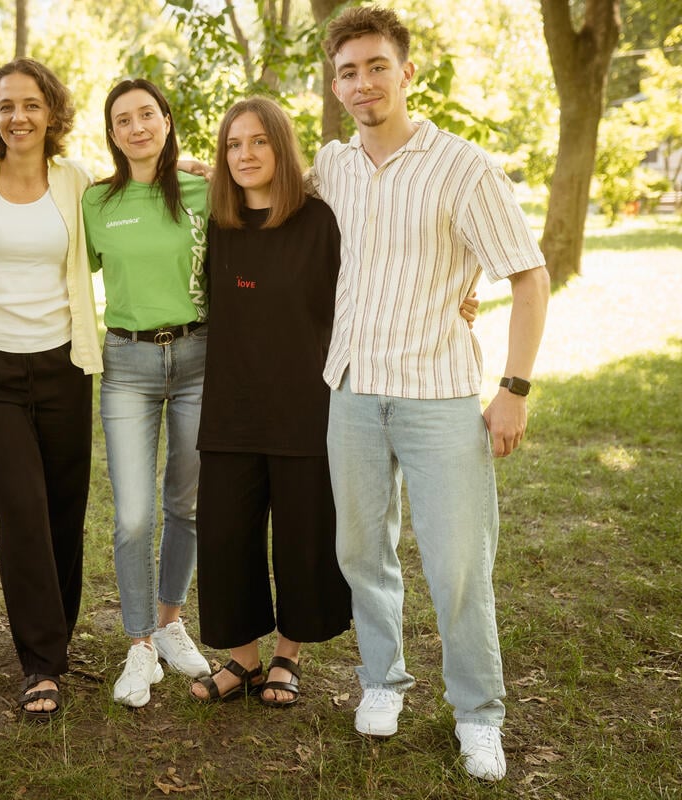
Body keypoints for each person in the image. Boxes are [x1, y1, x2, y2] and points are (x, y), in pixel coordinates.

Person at [312, 6, 550, 782]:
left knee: (456, 566)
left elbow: (528, 273)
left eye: (377, 66)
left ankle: (479, 714)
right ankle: (382, 680)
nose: (363, 82)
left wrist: (512, 388)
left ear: (406, 73)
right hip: (351, 393)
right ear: (336, 83)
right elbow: (254, 183)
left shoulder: (463, 167)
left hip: (441, 395)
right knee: (361, 551)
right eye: (348, 70)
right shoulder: (334, 167)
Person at [0, 57, 102, 720]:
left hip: (64, 366)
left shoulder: (77, 182)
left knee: (64, 509)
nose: (18, 117)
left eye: (31, 104)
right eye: (6, 105)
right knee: (21, 508)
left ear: (53, 112)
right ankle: (40, 662)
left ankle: (55, 637)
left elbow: (126, 225)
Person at [186, 97, 352, 706]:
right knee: (227, 537)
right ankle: (241, 661)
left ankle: (287, 655)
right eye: (233, 144)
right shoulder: (217, 226)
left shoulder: (320, 221)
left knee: (303, 538)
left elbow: (373, 285)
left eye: (259, 142)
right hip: (229, 408)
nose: (245, 155)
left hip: (305, 405)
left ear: (282, 148)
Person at [81, 78, 212, 709]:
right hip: (127, 362)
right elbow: (63, 273)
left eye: (147, 115)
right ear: (112, 134)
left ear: (166, 119)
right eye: (122, 120)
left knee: (185, 504)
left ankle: (168, 622)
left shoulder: (204, 192)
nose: (136, 127)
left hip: (199, 358)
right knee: (134, 514)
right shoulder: (97, 203)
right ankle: (138, 645)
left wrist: (210, 167)